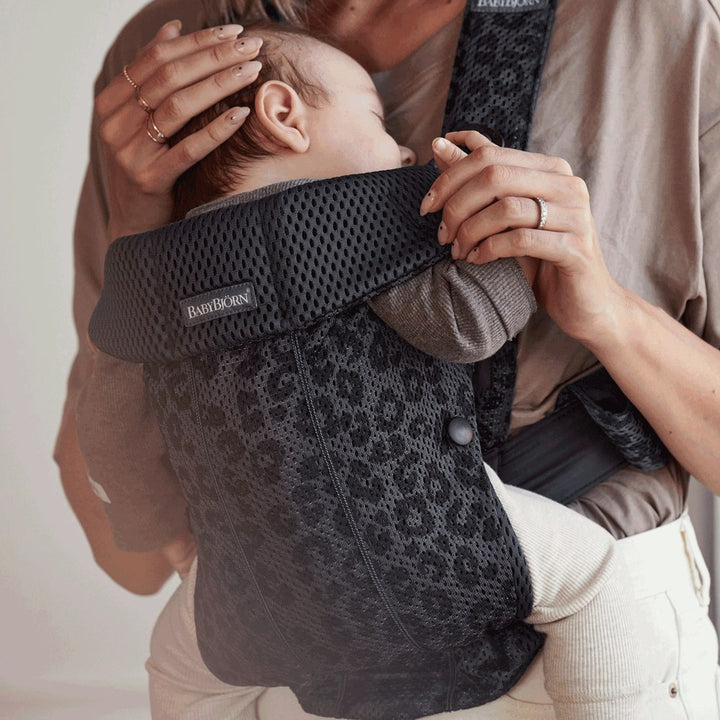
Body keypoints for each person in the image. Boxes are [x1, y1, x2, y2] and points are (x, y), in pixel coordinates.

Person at [55, 0, 720, 717]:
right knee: (593, 584)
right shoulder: (159, 68)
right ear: (283, 114)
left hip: (549, 649)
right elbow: (126, 554)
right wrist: (135, 231)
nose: (405, 153)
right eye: (380, 126)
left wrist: (606, 310)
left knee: (179, 667)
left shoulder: (654, 24)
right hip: (344, 626)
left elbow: (121, 467)